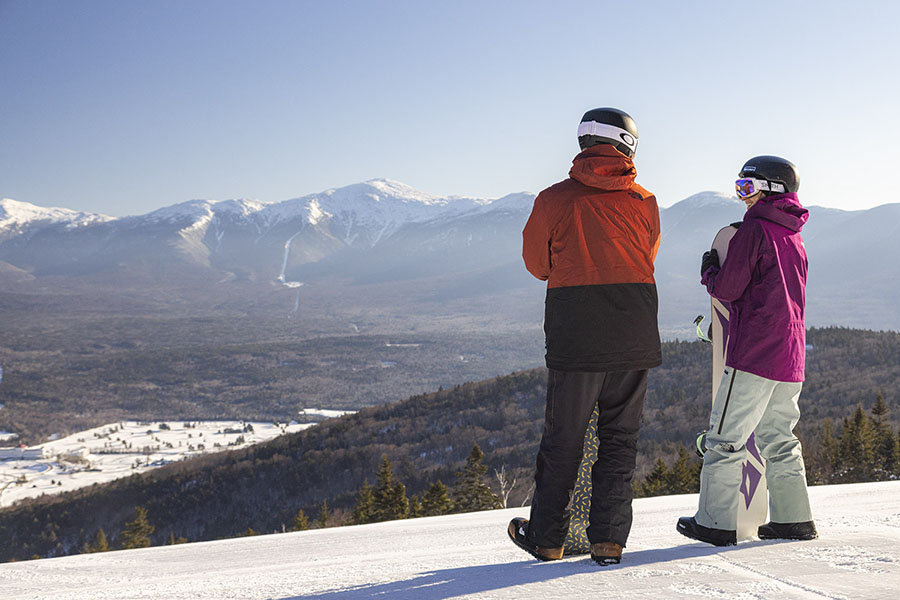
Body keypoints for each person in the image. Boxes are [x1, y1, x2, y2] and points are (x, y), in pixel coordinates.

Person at [508, 107, 662, 565]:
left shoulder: (554, 200)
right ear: (628, 144)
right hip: (634, 332)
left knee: (563, 440)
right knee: (620, 441)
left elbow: (537, 265)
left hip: (577, 335)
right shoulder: (645, 200)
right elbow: (647, 255)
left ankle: (547, 539)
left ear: (582, 143)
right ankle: (609, 541)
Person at [677, 155, 817, 546]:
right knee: (780, 438)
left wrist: (709, 270)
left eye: (746, 188)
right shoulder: (794, 236)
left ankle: (716, 523)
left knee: (725, 439)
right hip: (790, 356)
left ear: (769, 190)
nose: (742, 197)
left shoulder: (754, 231)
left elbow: (727, 289)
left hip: (754, 352)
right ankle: (794, 519)